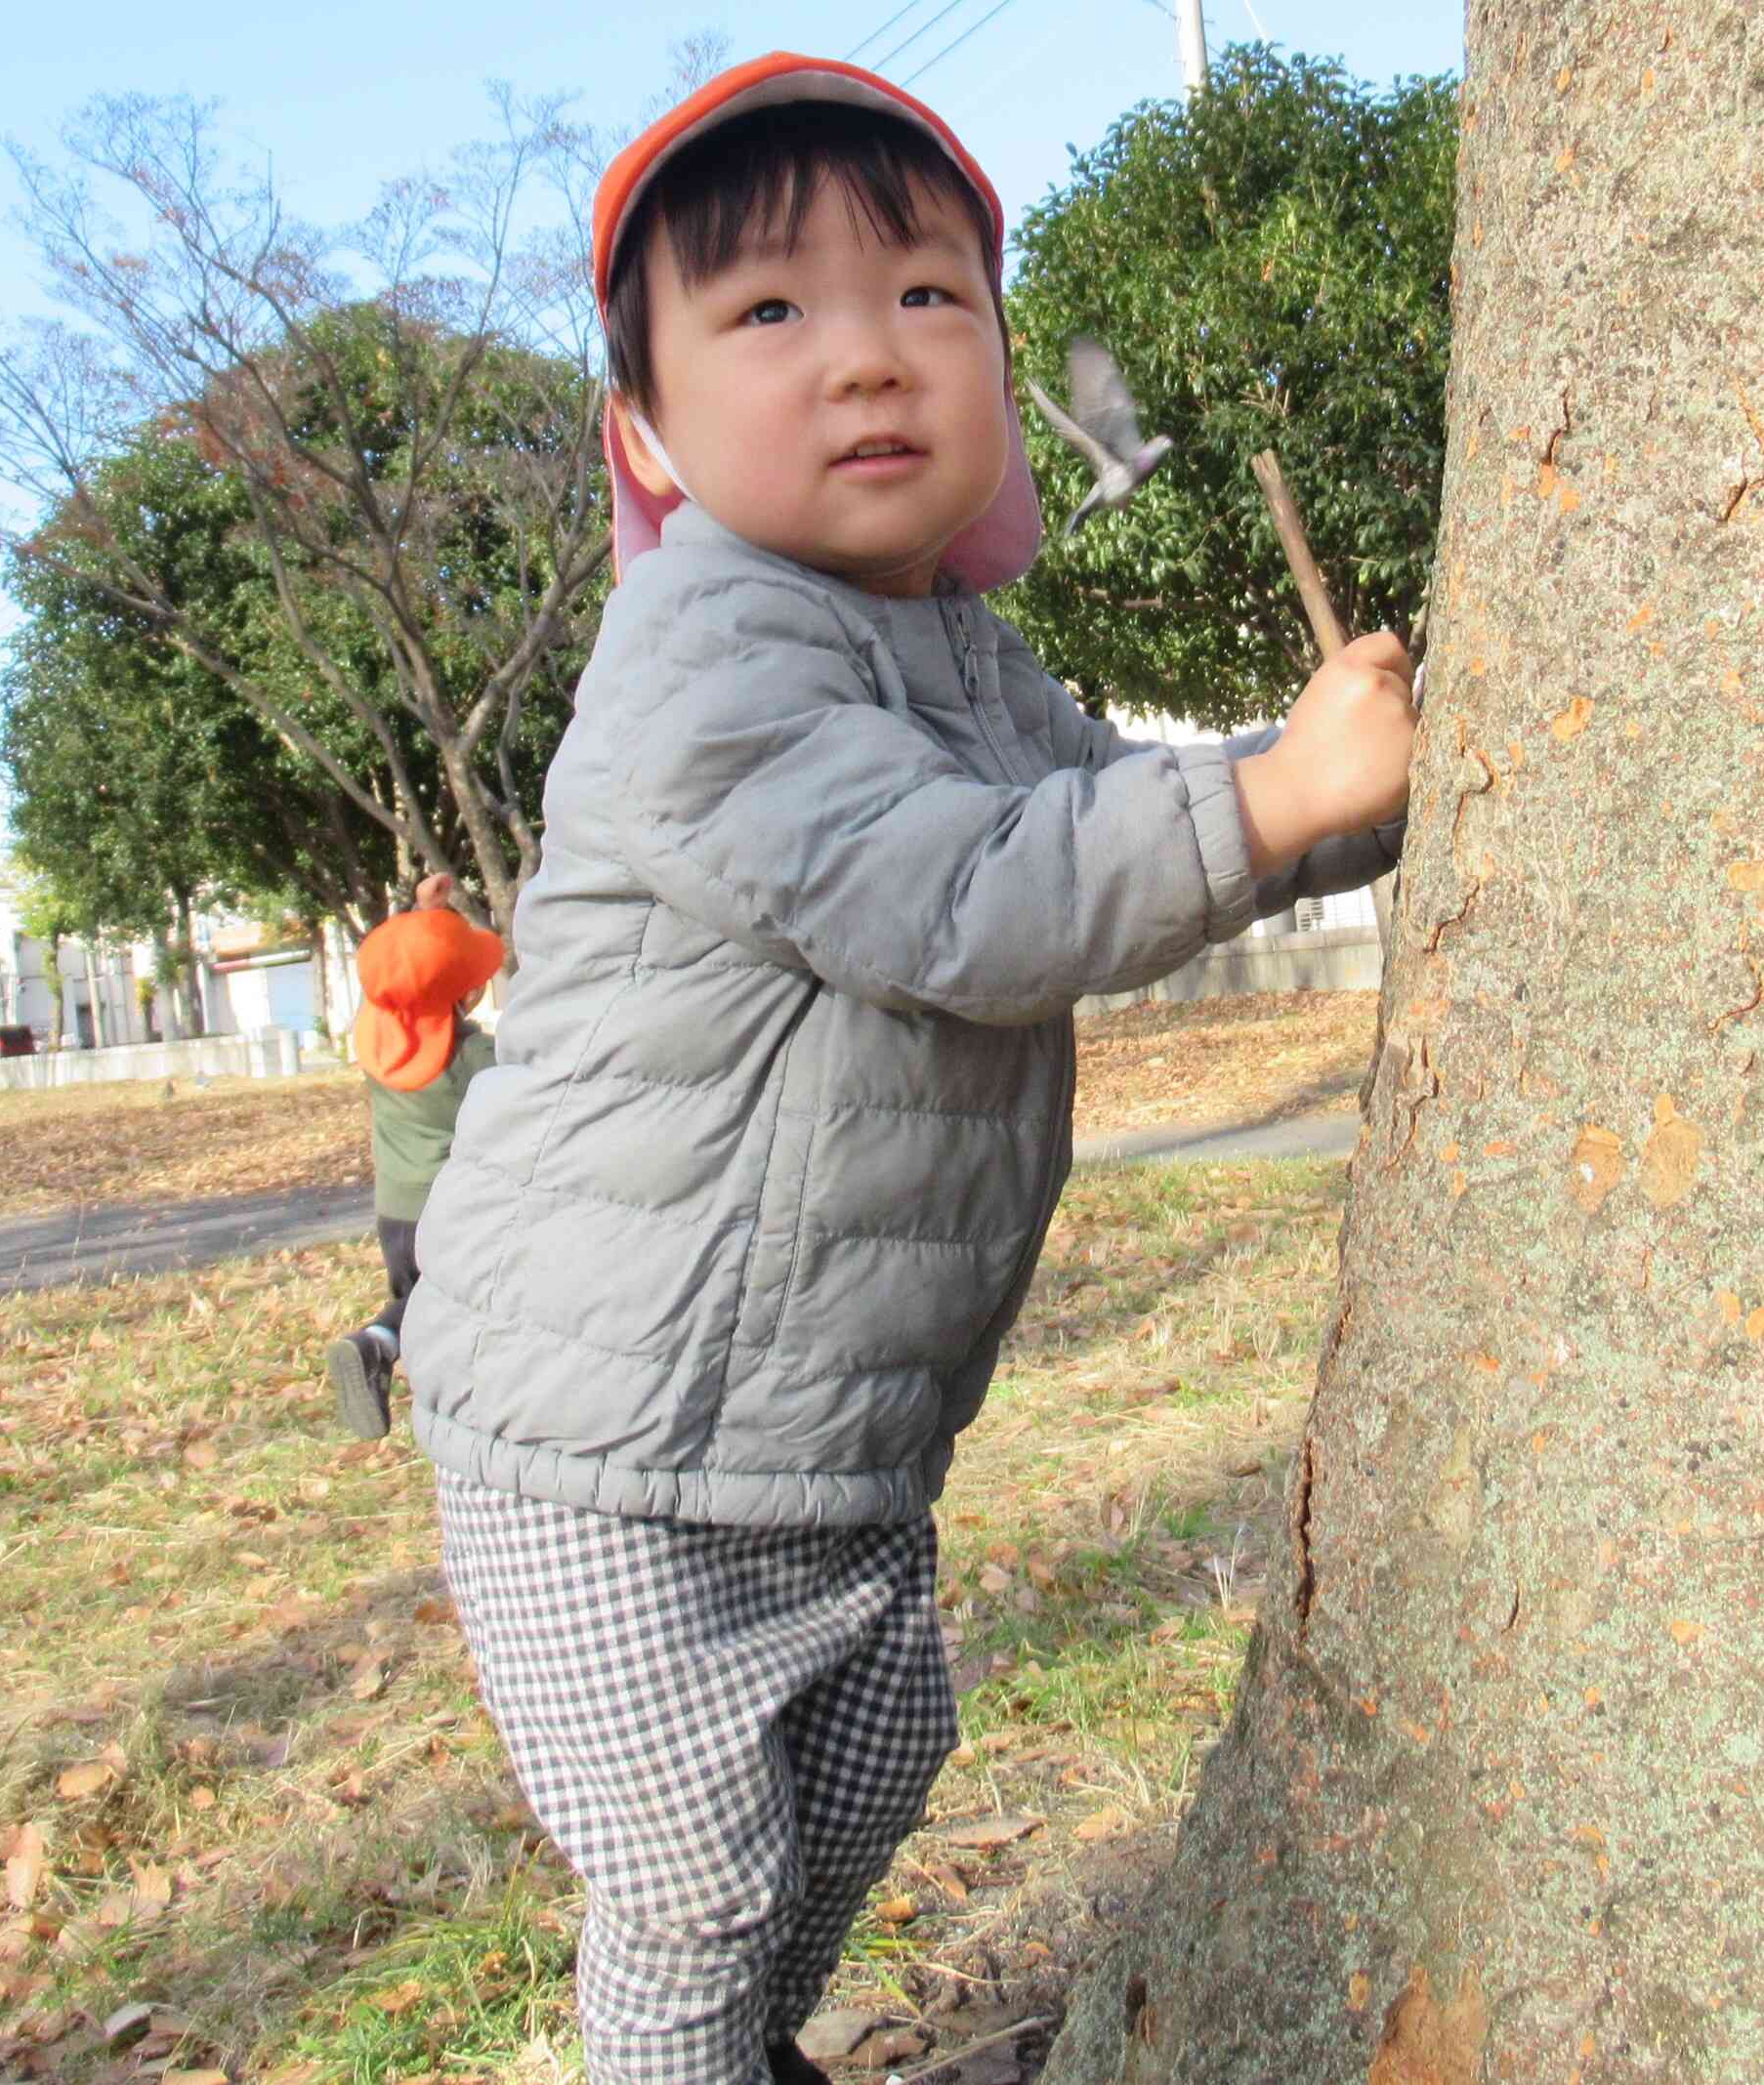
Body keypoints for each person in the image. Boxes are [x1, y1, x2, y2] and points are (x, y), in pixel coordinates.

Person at [402, 52, 1417, 2085]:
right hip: (599, 1438)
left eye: (928, 299)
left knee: (869, 1773)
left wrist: (1347, 796)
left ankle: (723, 2049)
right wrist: (1280, 794)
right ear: (650, 432)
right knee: (691, 1879)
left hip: (827, 1432)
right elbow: (970, 896)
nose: (866, 359)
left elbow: (1124, 812)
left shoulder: (964, 656)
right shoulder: (707, 656)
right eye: (769, 314)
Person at [325, 872, 500, 1439]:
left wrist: (417, 911)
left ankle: (393, 1353)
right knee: (459, 1304)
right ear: (464, 993)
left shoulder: (375, 1038)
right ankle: (378, 1345)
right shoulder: (475, 1057)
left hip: (394, 1212)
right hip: (451, 1210)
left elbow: (393, 973)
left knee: (423, 1301)